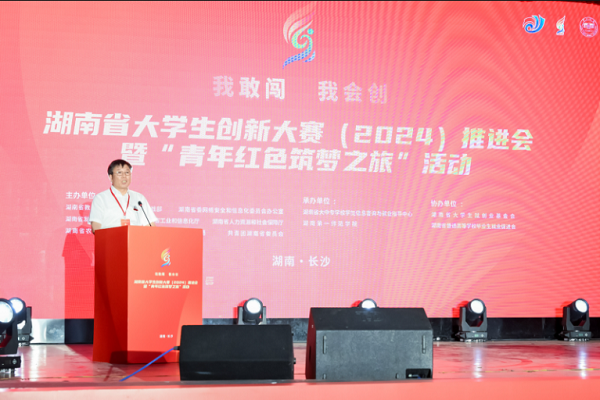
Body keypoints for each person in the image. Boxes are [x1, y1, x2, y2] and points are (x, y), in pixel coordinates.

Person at [89, 159, 157, 233]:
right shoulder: (101, 198)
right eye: (119, 173)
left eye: (127, 172)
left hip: (134, 238)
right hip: (110, 238)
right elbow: (95, 227)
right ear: (111, 177)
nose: (124, 176)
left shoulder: (139, 198)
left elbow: (150, 226)